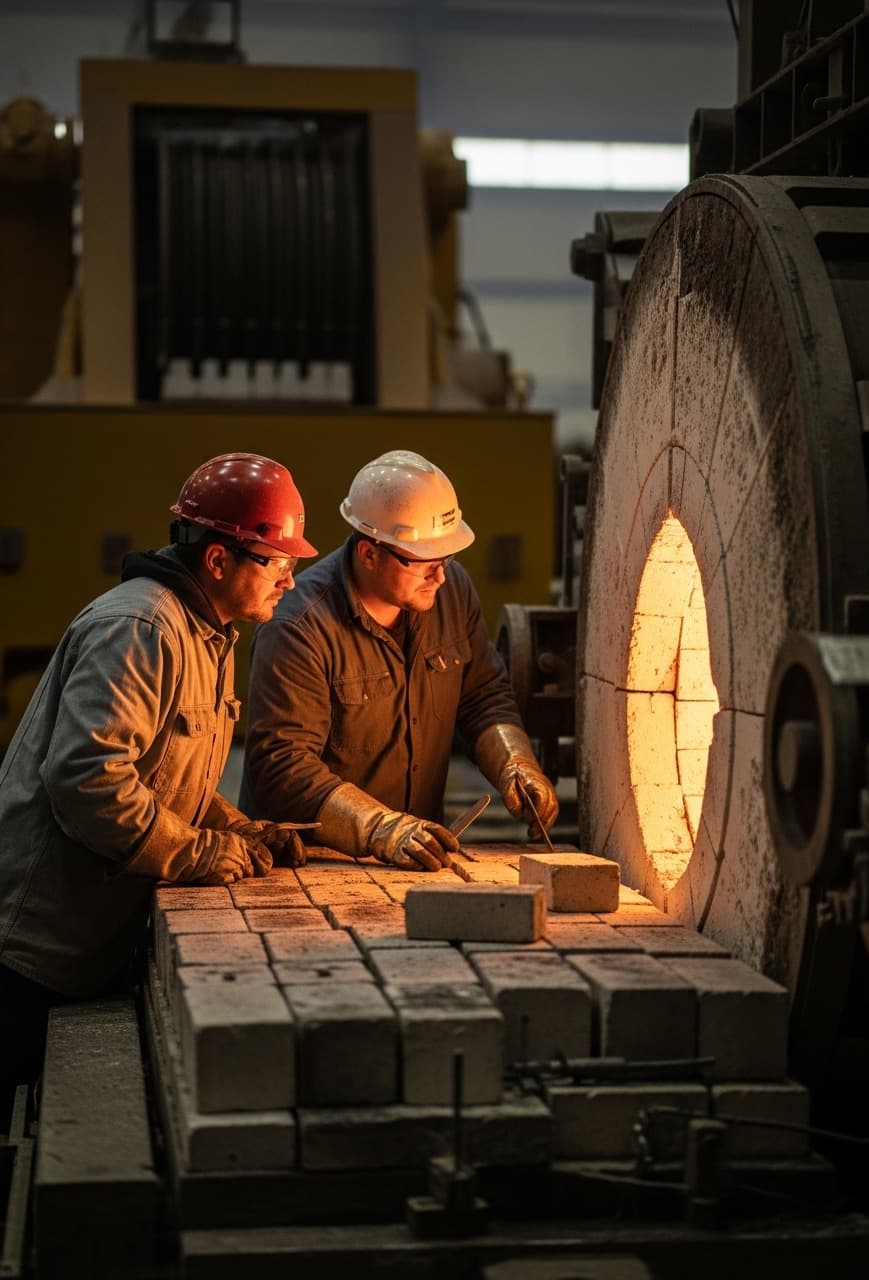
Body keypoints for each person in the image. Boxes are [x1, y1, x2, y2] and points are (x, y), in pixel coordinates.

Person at [0, 451, 317, 1129]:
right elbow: (88, 778)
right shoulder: (140, 629)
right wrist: (195, 852)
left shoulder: (211, 635)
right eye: (276, 559)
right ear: (218, 560)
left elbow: (173, 775)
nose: (290, 579)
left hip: (91, 943)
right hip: (34, 953)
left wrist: (233, 827)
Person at [240, 448, 558, 871]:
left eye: (446, 558)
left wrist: (515, 763)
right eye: (424, 561)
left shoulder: (451, 592)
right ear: (370, 553)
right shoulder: (299, 625)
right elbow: (283, 766)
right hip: (314, 865)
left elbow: (482, 697)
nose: (440, 575)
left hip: (418, 859)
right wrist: (380, 829)